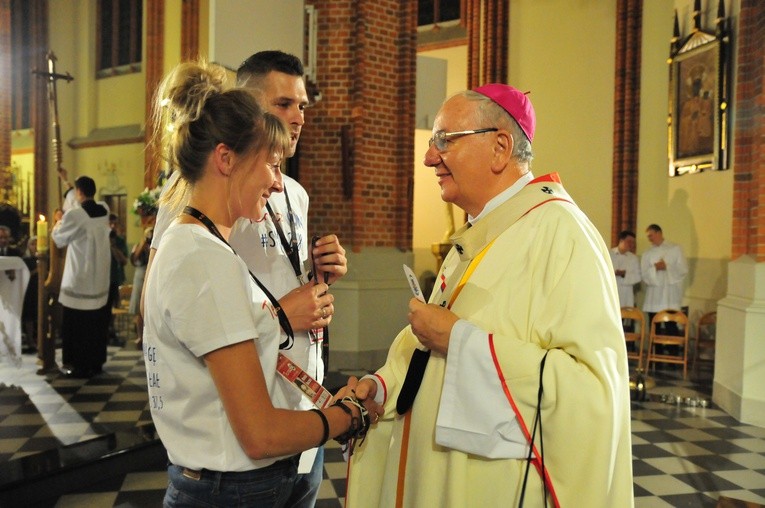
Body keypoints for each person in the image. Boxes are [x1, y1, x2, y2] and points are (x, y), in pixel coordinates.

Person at [346, 84, 634, 507]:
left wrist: (460, 341)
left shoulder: (562, 234)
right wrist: (382, 385)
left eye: (444, 140)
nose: (429, 158)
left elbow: (592, 394)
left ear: (501, 147)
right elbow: (428, 345)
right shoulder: (480, 234)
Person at [142, 60, 380, 507]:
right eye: (270, 164)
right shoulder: (203, 256)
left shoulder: (210, 248)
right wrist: (349, 416)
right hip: (232, 480)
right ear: (226, 157)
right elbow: (259, 434)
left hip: (258, 454)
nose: (277, 180)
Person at [51, 176, 111, 378]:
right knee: (95, 324)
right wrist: (69, 185)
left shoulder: (75, 215)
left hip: (80, 279)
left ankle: (77, 365)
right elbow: (79, 202)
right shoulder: (104, 209)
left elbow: (59, 238)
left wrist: (58, 221)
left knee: (76, 324)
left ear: (79, 192)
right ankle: (95, 363)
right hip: (99, 279)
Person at [641, 223, 688, 334]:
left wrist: (667, 267)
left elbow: (683, 269)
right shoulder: (647, 254)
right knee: (654, 326)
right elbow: (644, 274)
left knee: (671, 326)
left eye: (651, 235)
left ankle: (673, 351)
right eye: (648, 236)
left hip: (669, 294)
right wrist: (655, 268)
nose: (649, 239)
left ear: (659, 233)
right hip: (654, 295)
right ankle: (655, 351)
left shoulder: (675, 249)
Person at [129, 225, 152, 347]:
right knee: (139, 309)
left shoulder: (153, 247)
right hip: (140, 276)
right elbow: (133, 260)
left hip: (149, 276)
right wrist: (143, 243)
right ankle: (139, 336)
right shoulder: (138, 246)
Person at [610, 230, 641, 308]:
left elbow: (638, 277)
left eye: (633, 242)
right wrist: (614, 272)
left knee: (625, 316)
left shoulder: (633, 258)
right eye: (629, 241)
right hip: (611, 291)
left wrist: (624, 274)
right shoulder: (609, 254)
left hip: (626, 294)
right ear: (621, 240)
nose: (631, 244)